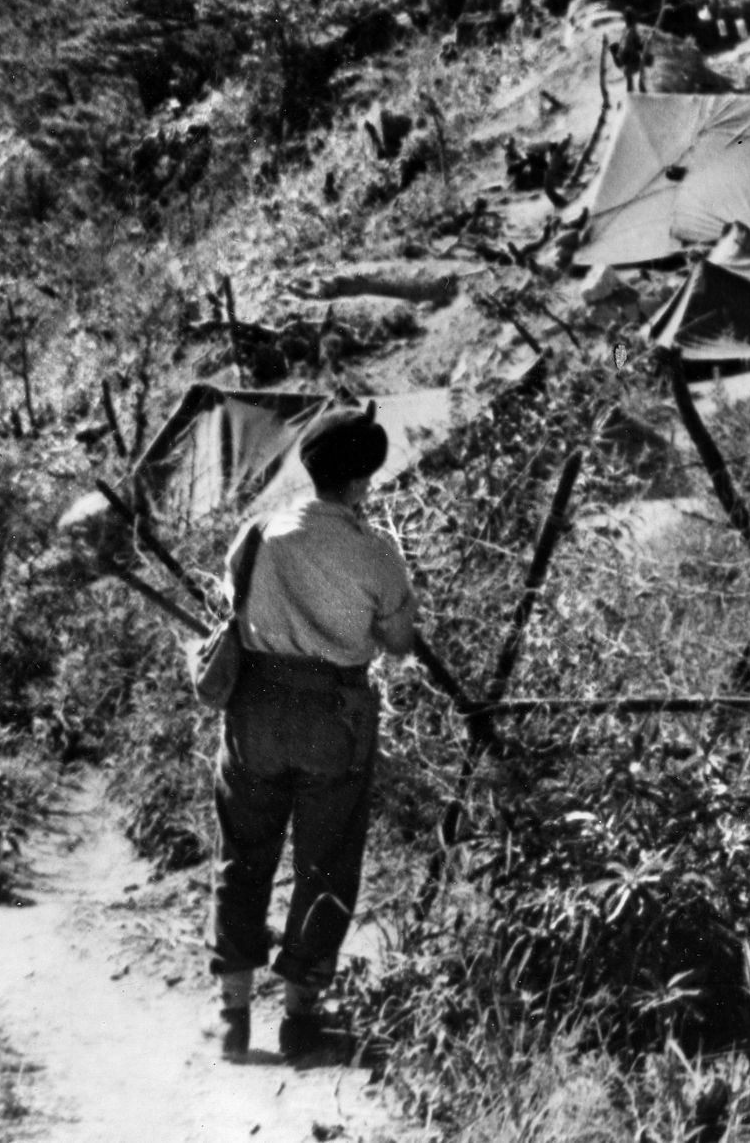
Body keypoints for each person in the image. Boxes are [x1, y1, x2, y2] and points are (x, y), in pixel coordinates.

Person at [209, 404, 418, 1064]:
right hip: (335, 720)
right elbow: (401, 643)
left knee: (243, 855)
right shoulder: (376, 554)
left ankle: (232, 1017)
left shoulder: (259, 533)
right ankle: (302, 1017)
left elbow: (230, 604)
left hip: (255, 715)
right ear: (361, 483)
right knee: (325, 863)